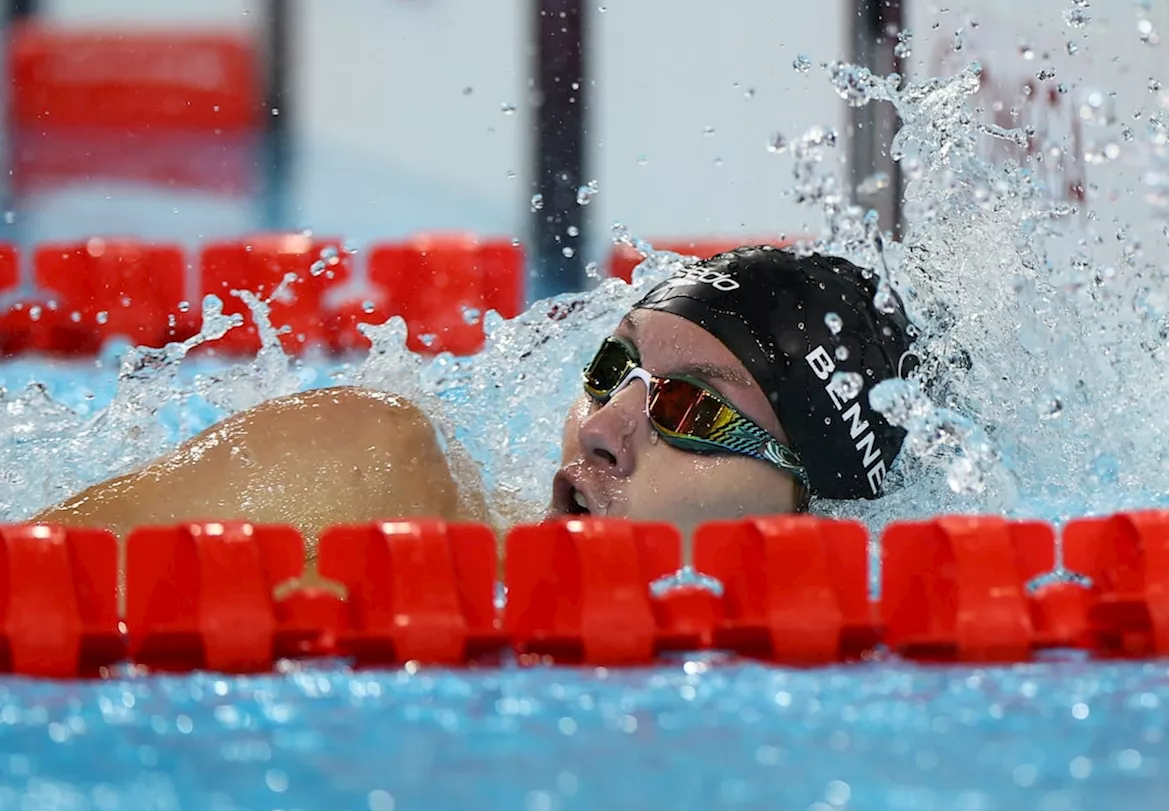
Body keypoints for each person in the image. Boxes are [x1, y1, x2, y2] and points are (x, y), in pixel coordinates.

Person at [32, 246, 916, 558]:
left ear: (810, 515)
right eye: (612, 370)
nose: (603, 430)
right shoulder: (364, 471)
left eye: (689, 410)